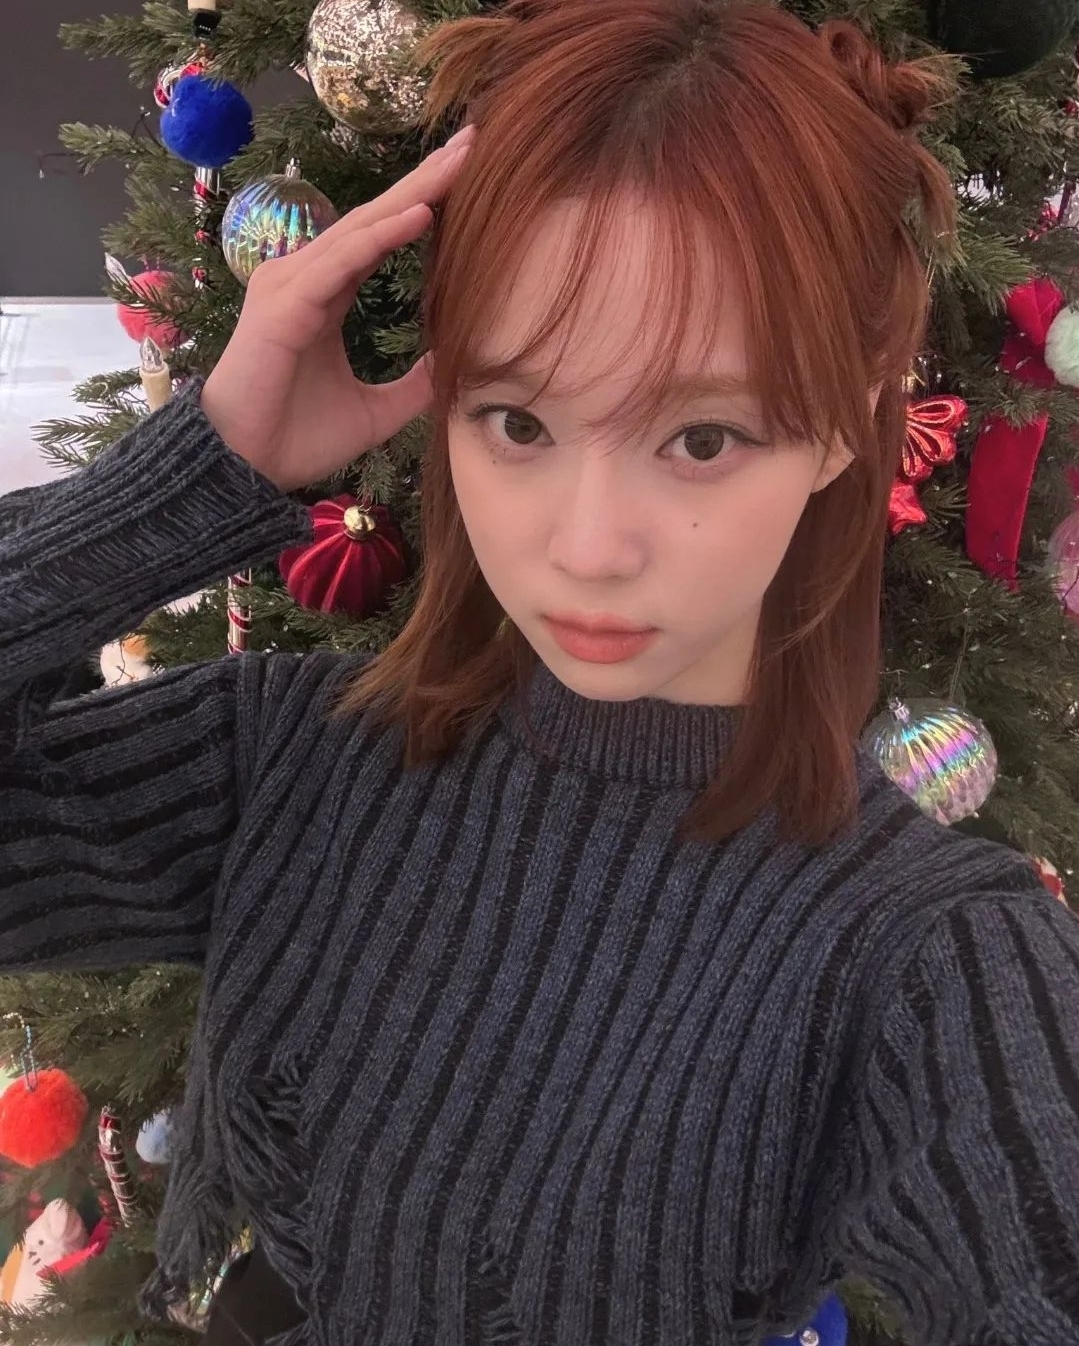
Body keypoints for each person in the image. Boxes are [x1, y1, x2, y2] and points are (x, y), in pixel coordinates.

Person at [2, 1, 1078, 1343]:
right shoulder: (286, 758)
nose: (587, 548)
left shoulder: (929, 953)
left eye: (702, 437)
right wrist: (204, 464)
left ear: (851, 421)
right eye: (517, 419)